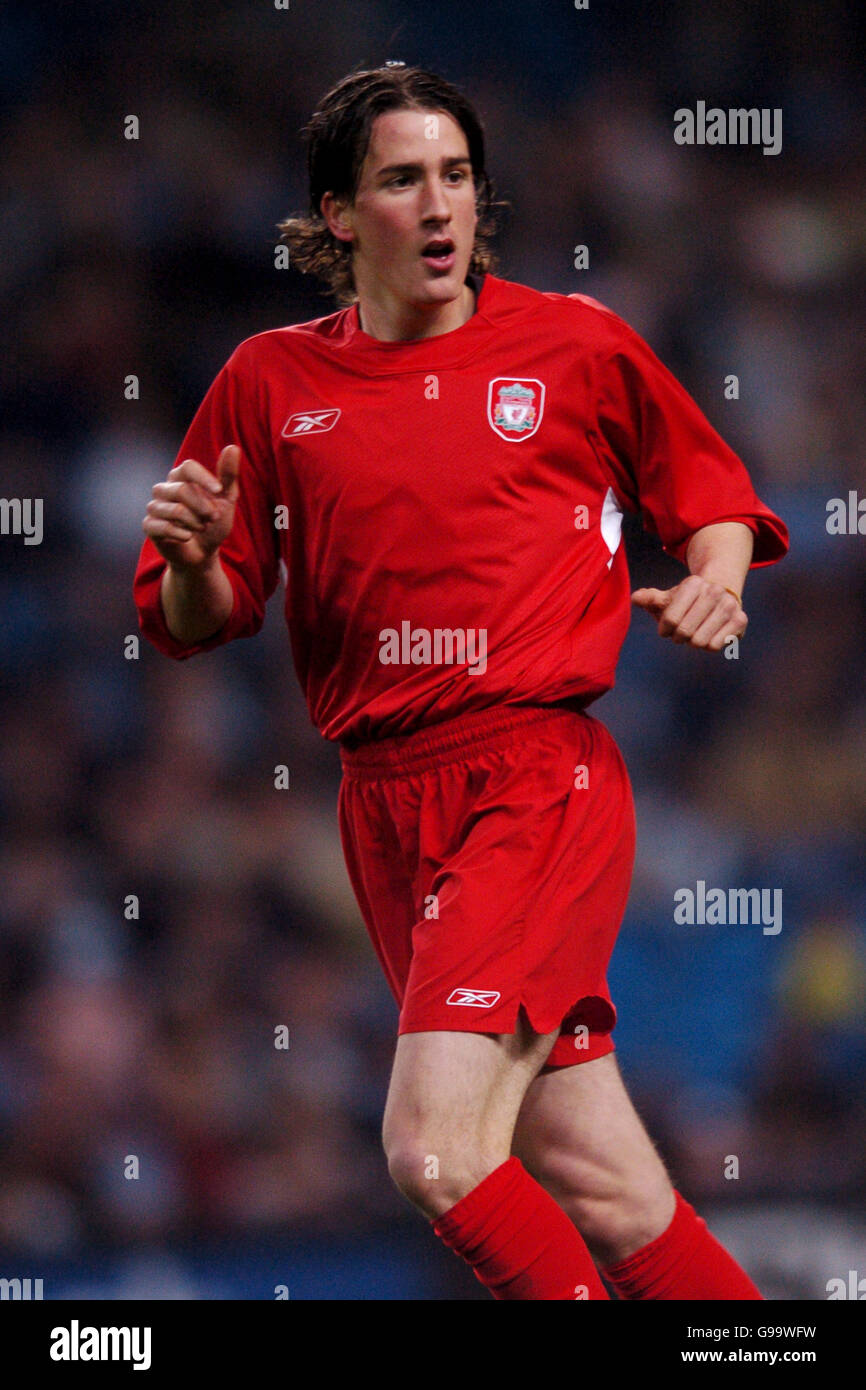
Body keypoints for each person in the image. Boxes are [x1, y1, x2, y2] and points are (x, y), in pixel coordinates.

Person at [134, 63, 789, 1300]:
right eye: (400, 180)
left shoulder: (573, 345)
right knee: (601, 1180)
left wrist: (718, 582)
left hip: (530, 779)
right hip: (381, 806)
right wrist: (182, 560)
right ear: (337, 213)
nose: (438, 205)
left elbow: (712, 503)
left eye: (455, 177)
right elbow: (202, 615)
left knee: (435, 1150)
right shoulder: (269, 383)